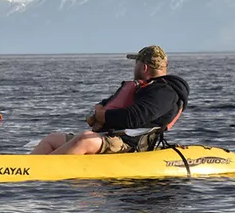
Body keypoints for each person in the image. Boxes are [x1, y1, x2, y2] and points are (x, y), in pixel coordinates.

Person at [30, 45, 189, 155]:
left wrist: (101, 116)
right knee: (52, 139)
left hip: (129, 143)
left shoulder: (165, 93)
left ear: (144, 67)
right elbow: (105, 103)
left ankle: (40, 171)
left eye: (136, 63)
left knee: (84, 140)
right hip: (109, 135)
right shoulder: (140, 86)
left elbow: (134, 117)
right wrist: (97, 111)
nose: (134, 67)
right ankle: (22, 168)